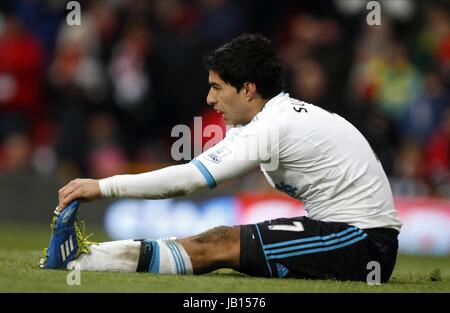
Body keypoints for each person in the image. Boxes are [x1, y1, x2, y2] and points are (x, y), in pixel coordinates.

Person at [40, 33, 401, 283]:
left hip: (363, 244)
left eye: (217, 87)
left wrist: (103, 186)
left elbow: (188, 179)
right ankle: (86, 258)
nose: (210, 100)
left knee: (222, 244)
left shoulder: (273, 125)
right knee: (218, 240)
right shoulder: (265, 120)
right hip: (347, 235)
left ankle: (85, 260)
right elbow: (192, 171)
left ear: (247, 89)